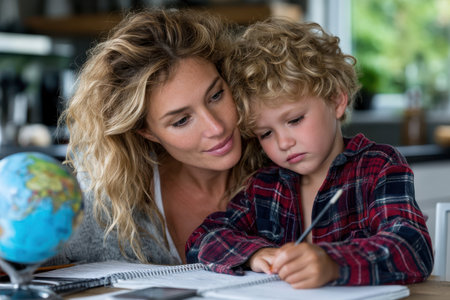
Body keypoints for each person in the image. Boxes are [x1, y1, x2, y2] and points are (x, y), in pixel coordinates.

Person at [186, 18, 434, 288]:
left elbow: (412, 248)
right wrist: (254, 253)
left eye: (294, 120)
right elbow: (203, 239)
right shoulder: (265, 187)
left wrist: (332, 263)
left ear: (336, 100)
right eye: (265, 133)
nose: (283, 143)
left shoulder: (379, 167)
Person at [48, 9, 262, 266]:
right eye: (182, 120)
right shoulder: (106, 205)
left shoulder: (284, 164)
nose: (215, 127)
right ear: (146, 131)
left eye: (216, 95)